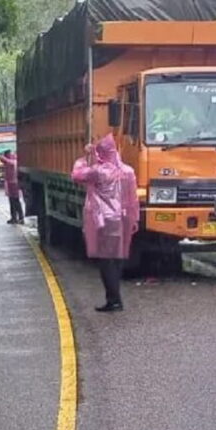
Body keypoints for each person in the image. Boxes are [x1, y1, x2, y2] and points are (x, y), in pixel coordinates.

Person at [71, 134, 139, 312]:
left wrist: (85, 157)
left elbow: (77, 175)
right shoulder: (128, 171)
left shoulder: (98, 172)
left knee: (106, 261)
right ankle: (115, 298)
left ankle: (114, 300)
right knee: (117, 259)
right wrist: (134, 218)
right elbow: (133, 199)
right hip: (123, 218)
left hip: (105, 221)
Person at [1, 149, 24, 224]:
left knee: (16, 201)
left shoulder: (14, 161)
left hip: (15, 183)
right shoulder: (9, 162)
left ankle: (20, 217)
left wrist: (2, 157)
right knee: (12, 201)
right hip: (11, 184)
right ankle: (14, 217)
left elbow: (11, 163)